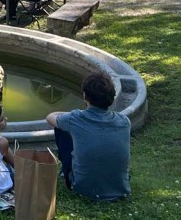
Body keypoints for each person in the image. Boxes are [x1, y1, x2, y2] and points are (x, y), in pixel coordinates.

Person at [46, 71, 131, 201]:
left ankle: (66, 171)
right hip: (120, 189)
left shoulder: (75, 119)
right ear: (112, 97)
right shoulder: (124, 121)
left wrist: (76, 114)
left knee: (61, 128)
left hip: (83, 189)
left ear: (85, 96)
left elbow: (50, 117)